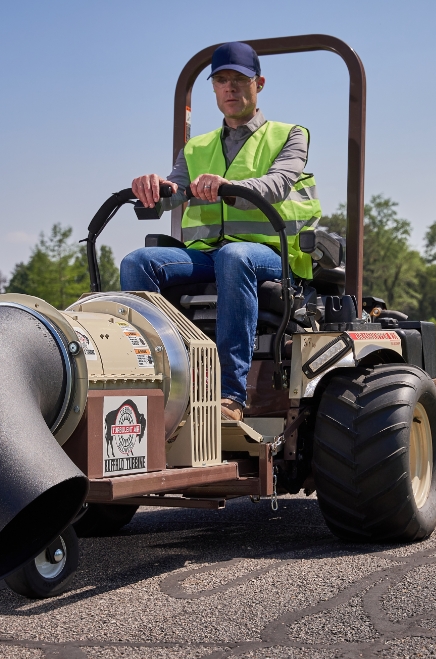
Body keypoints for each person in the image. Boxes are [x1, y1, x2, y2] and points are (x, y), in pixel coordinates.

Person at [120, 41, 321, 422]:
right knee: (138, 262)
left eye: (239, 80)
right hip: (207, 254)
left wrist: (228, 189)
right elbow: (171, 194)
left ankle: (230, 395)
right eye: (222, 80)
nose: (230, 88)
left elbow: (277, 185)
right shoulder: (196, 148)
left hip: (272, 254)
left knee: (235, 255)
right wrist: (150, 189)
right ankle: (152, 384)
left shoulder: (290, 135)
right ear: (213, 88)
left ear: (258, 83)